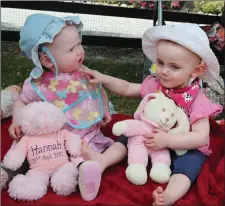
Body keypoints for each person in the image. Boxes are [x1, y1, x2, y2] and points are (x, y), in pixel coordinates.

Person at [80, 23, 223, 205]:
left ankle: (168, 196)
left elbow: (200, 137)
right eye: (160, 63)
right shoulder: (156, 84)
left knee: (191, 164)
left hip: (182, 145)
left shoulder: (197, 99)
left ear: (196, 70)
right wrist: (104, 78)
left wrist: (168, 141)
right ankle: (102, 161)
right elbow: (127, 87)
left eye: (174, 67)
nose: (163, 71)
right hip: (150, 136)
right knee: (127, 136)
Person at [2, 13, 126, 201]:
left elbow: (97, 90)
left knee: (85, 152)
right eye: (71, 49)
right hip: (49, 140)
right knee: (24, 149)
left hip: (84, 135)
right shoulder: (38, 84)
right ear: (47, 60)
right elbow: (21, 101)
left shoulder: (84, 73)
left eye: (79, 44)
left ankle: (84, 174)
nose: (80, 51)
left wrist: (106, 110)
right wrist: (17, 121)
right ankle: (7, 172)